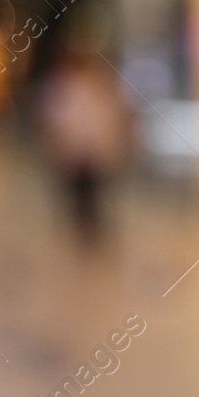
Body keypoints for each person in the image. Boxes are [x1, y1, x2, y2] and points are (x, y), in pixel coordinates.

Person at [37, 40, 132, 245]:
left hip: (94, 152)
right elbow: (53, 121)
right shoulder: (58, 85)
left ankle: (92, 230)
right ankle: (81, 230)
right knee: (76, 195)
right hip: (73, 152)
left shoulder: (99, 84)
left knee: (94, 194)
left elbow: (109, 117)